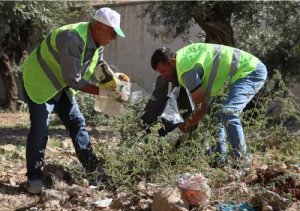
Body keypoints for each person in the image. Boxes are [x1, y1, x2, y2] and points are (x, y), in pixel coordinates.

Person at [21, 7, 126, 194]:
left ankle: (94, 170)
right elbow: (74, 80)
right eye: (112, 33)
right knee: (40, 129)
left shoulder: (96, 44)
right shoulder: (72, 37)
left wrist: (116, 85)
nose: (114, 39)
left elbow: (99, 67)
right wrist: (104, 93)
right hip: (40, 82)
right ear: (100, 27)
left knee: (77, 122)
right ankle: (34, 179)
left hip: (61, 86)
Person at [150, 43, 267, 171]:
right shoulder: (182, 57)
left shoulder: (186, 70)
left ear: (171, 61)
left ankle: (243, 164)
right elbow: (204, 108)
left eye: (163, 71)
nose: (163, 76)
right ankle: (218, 161)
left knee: (228, 111)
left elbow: (201, 109)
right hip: (238, 75)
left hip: (250, 71)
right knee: (214, 116)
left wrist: (178, 132)